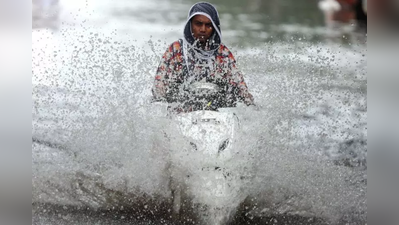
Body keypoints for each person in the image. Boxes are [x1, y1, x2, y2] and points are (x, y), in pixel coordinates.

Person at [151, 2, 254, 112]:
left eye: (208, 25)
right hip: (180, 113)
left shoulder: (223, 53)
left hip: (216, 114)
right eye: (198, 24)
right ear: (190, 24)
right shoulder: (176, 50)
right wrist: (159, 103)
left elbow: (239, 84)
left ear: (214, 27)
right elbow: (159, 84)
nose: (203, 29)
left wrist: (250, 104)